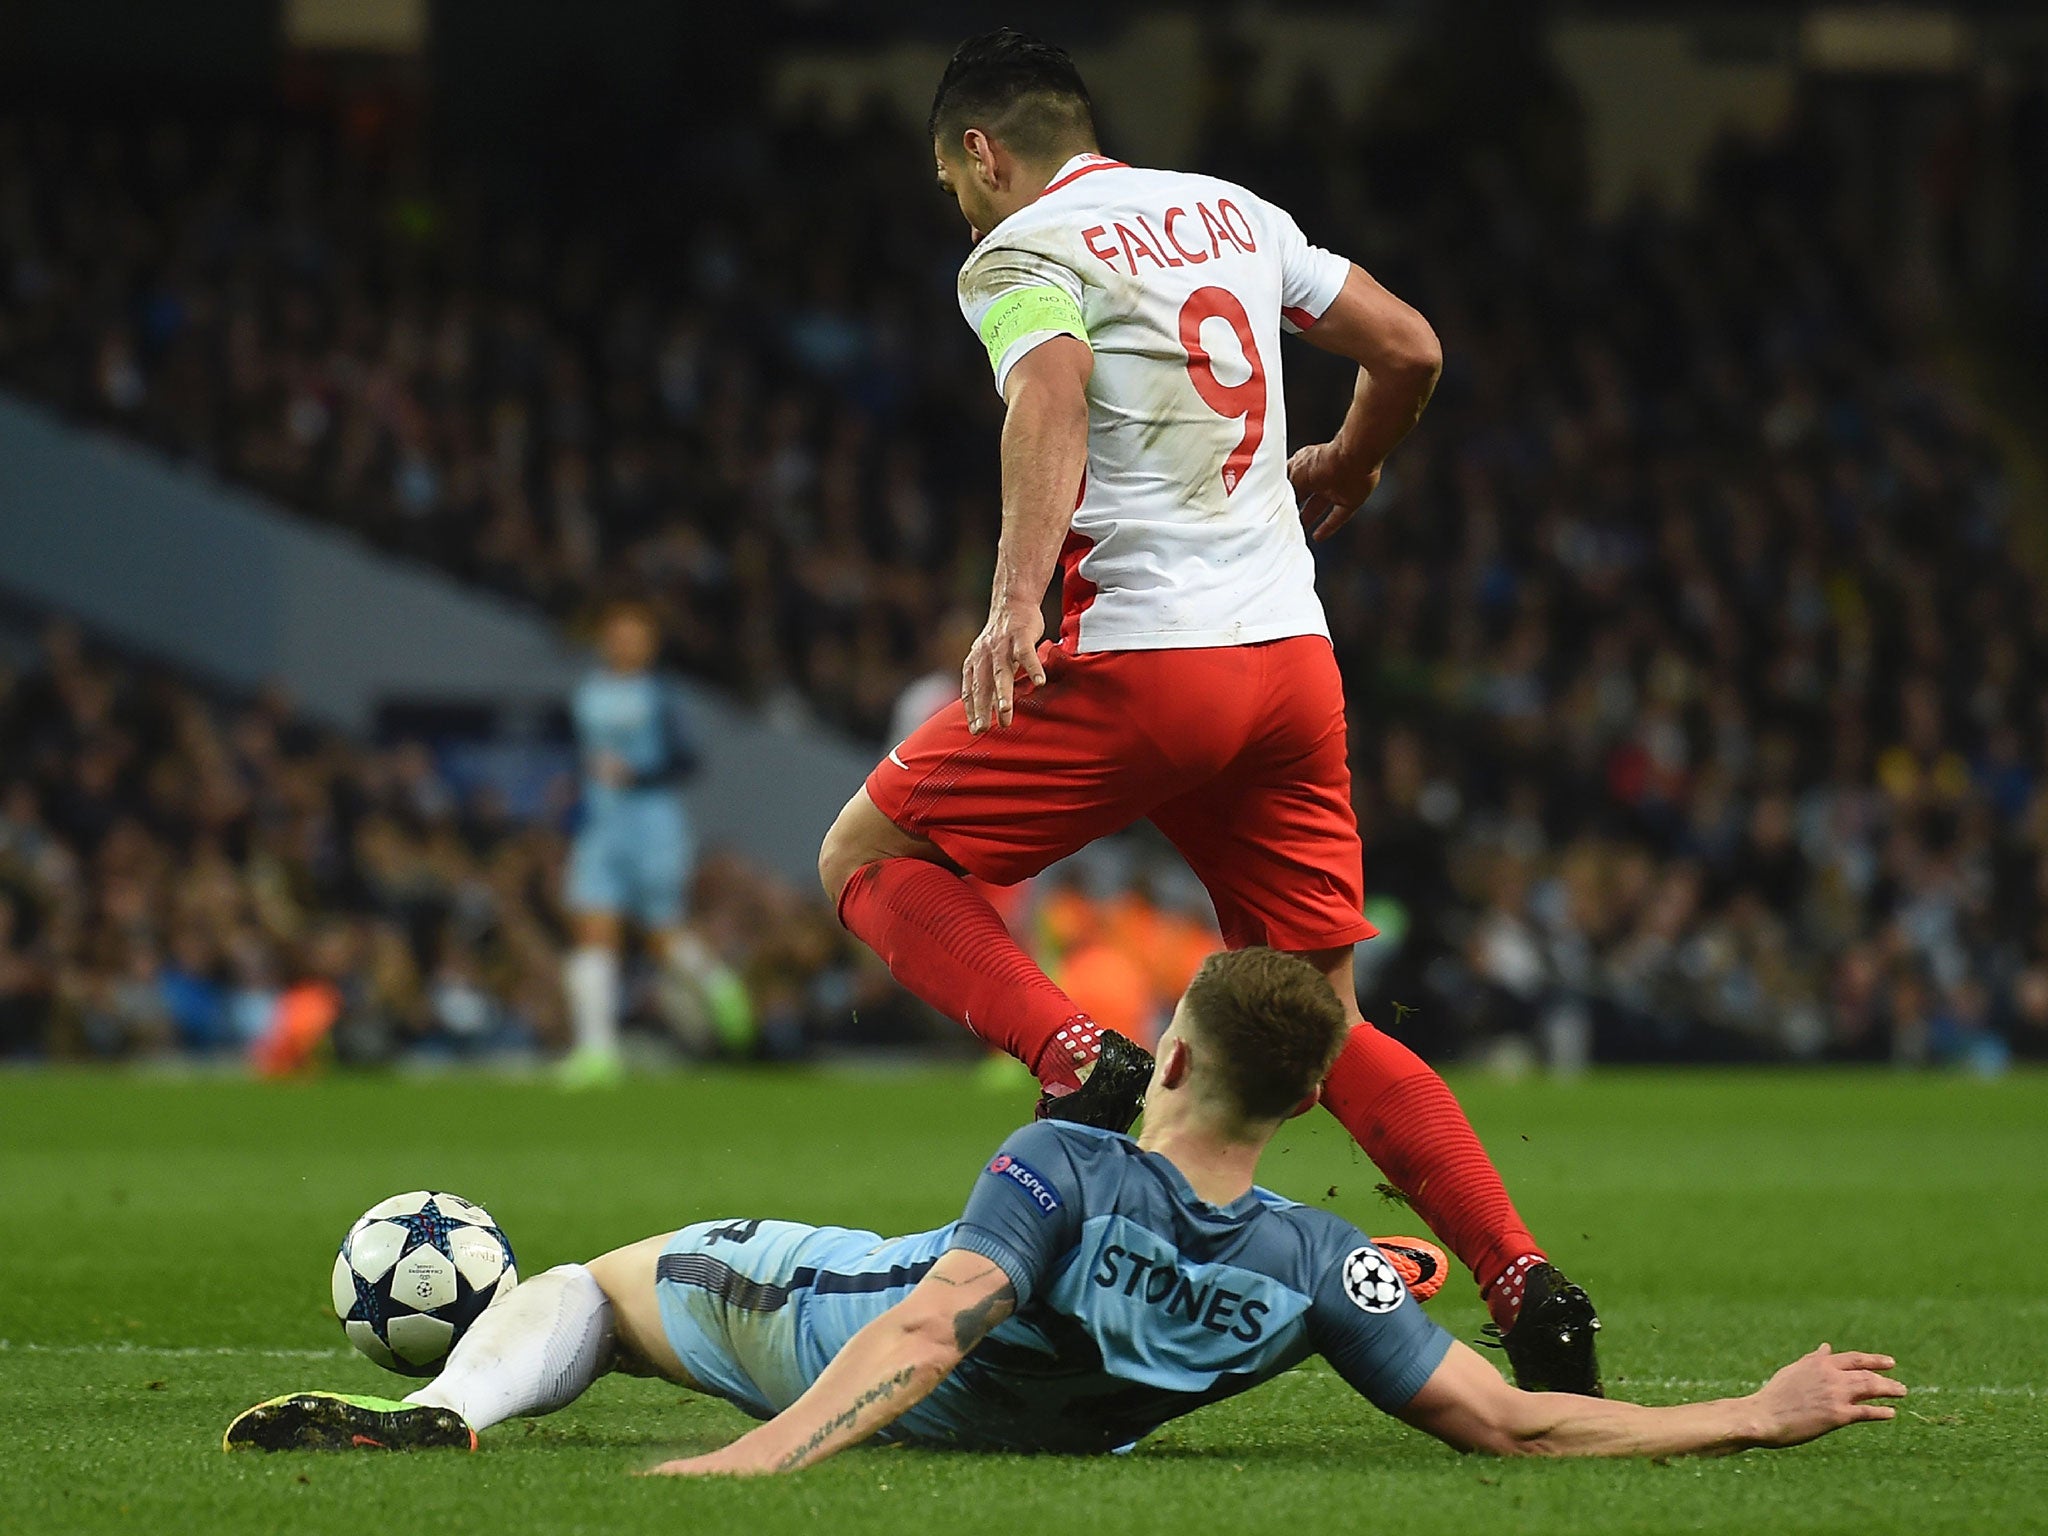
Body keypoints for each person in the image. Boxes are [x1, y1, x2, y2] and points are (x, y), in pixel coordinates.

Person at [814, 28, 1596, 1388]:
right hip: (1290, 664)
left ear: (982, 154)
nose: (965, 207)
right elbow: (1409, 348)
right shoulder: (1234, 212)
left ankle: (1077, 1059)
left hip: (1142, 661)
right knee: (1323, 1018)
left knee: (869, 858)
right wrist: (1351, 460)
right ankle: (1527, 1284)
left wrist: (1011, 602)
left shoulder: (1015, 252)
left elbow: (1048, 396)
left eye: (957, 182)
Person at [223, 949, 1903, 1467]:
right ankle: (457, 1403)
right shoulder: (1328, 1268)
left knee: (596, 1280)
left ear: (1168, 1051)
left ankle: (447, 1405)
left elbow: (935, 1312)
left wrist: (756, 1455)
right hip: (1000, 1420)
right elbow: (1514, 1424)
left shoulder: (1058, 1157)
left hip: (824, 1319)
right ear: (1314, 1104)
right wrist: (1748, 1415)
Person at [560, 600, 741, 1085]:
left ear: (649, 645)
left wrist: (638, 776)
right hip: (601, 827)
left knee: (661, 937)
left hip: (653, 827)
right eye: (618, 635)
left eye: (635, 636)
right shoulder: (588, 693)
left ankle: (716, 982)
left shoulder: (662, 696)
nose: (625, 644)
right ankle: (597, 1052)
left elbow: (688, 760)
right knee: (593, 929)